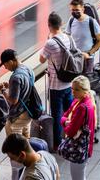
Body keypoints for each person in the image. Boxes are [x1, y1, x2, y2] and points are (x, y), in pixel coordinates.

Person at [0, 49, 35, 180]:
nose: (5, 67)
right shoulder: (27, 69)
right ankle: (28, 172)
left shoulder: (15, 77)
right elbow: (25, 89)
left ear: (11, 61)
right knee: (26, 145)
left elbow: (13, 100)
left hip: (16, 118)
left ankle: (15, 177)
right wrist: (11, 88)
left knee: (15, 150)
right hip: (27, 115)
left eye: (5, 64)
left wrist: (2, 90)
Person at [40, 12, 75, 150]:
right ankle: (70, 138)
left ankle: (58, 143)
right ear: (61, 24)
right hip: (69, 83)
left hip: (55, 85)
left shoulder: (50, 42)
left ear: (49, 26)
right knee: (69, 113)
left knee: (57, 116)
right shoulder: (68, 38)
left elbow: (41, 59)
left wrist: (48, 40)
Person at [60, 76, 96, 180]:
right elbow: (65, 116)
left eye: (76, 89)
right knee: (80, 175)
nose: (73, 92)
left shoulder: (81, 107)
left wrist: (65, 124)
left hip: (79, 148)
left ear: (84, 91)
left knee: (77, 177)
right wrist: (65, 122)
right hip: (84, 146)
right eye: (72, 89)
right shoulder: (82, 101)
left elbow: (70, 132)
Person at [65, 0, 100, 73]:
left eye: (77, 10)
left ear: (83, 9)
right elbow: (67, 36)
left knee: (86, 82)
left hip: (87, 59)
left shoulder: (91, 22)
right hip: (74, 57)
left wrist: (89, 53)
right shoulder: (71, 20)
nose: (74, 12)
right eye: (72, 10)